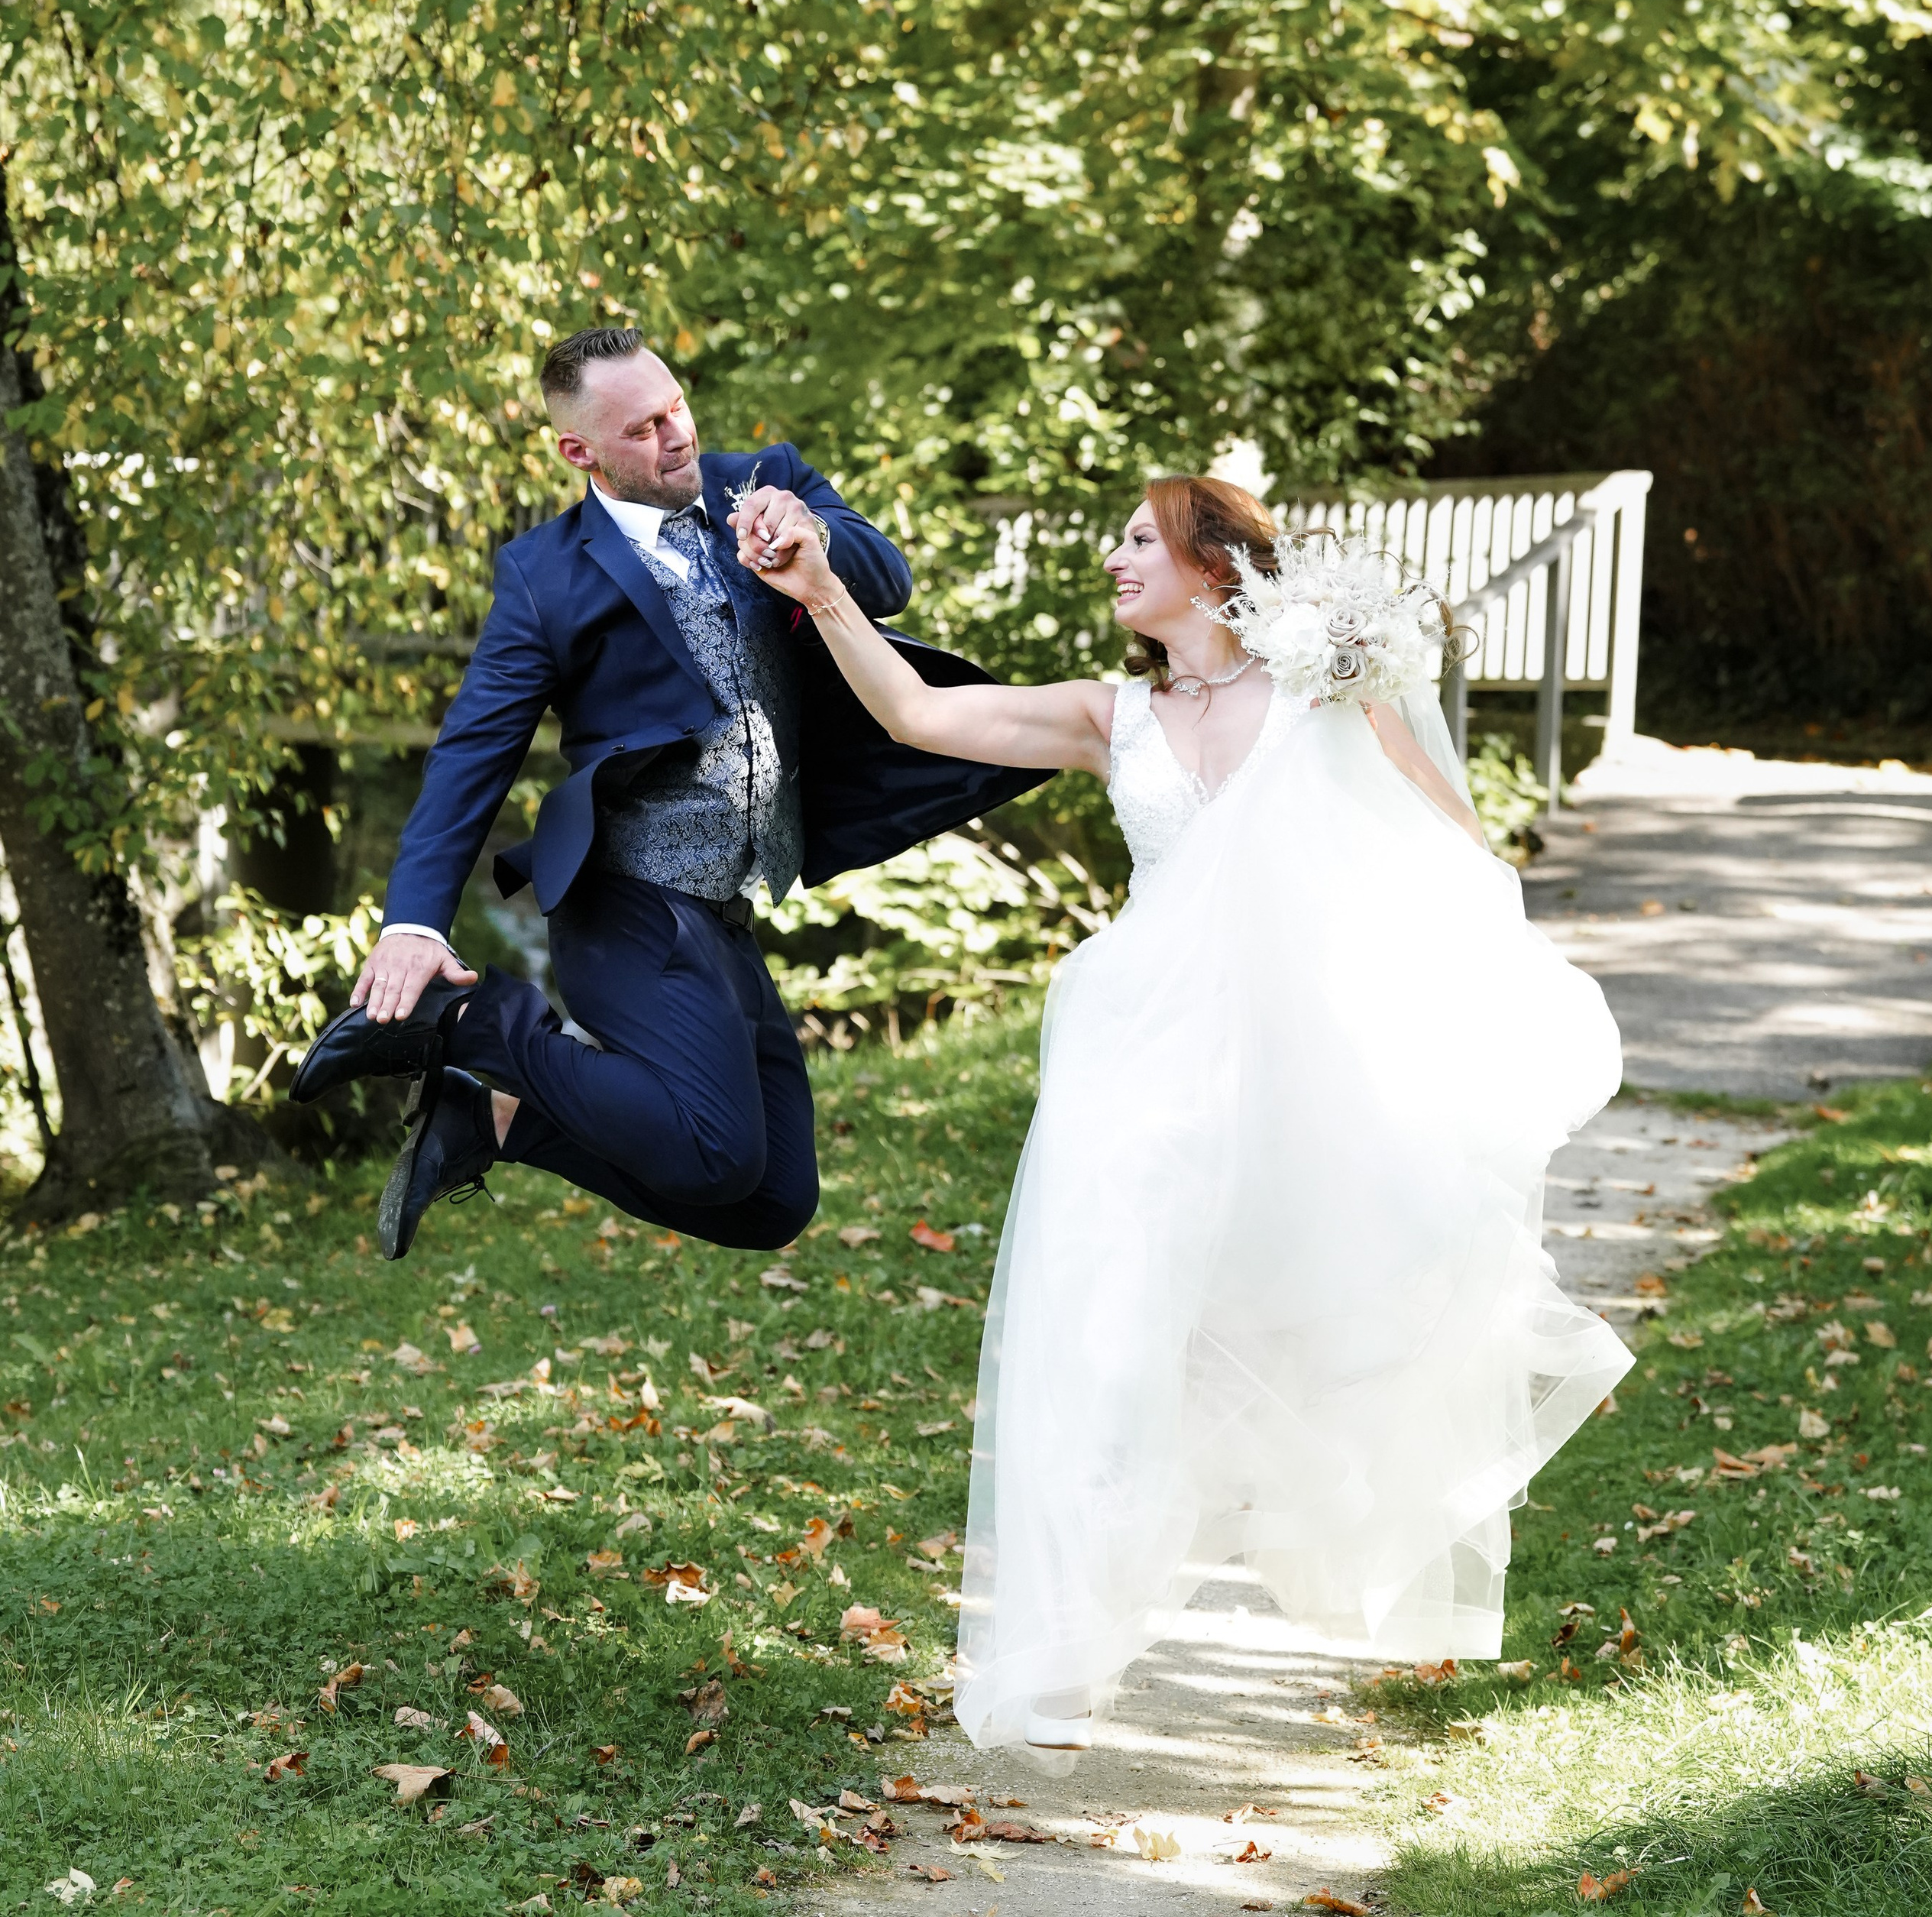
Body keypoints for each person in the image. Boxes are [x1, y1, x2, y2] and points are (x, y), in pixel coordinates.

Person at [738, 471, 1631, 1749]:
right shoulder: (1114, 716)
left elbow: (1447, 838)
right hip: (1134, 1049)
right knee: (1100, 1327)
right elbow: (918, 711)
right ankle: (1062, 1639)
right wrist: (820, 591)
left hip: (1287, 1052)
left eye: (1136, 539)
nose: (1113, 558)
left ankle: (1314, 1509)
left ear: (1212, 566)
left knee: (1336, 1302)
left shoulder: (1323, 691)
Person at [290, 325, 1045, 1258]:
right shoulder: (544, 575)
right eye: (643, 428)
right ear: (580, 451)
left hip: (725, 905)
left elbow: (889, 581)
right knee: (714, 1156)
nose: (676, 433)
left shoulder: (764, 477)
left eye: (676, 405)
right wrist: (414, 924)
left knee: (772, 1203)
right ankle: (469, 1021)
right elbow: (470, 754)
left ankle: (489, 1121)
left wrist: (817, 536)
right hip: (627, 900)